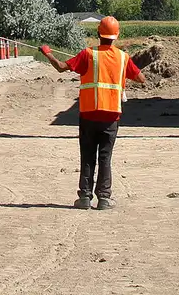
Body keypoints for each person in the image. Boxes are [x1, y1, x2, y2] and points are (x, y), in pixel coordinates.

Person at [41, 15, 144, 210]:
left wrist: (47, 53)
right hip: (111, 116)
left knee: (87, 156)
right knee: (105, 157)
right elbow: (141, 78)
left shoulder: (88, 54)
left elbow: (61, 67)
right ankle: (104, 198)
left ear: (98, 33)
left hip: (89, 114)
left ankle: (85, 198)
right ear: (117, 35)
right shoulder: (123, 57)